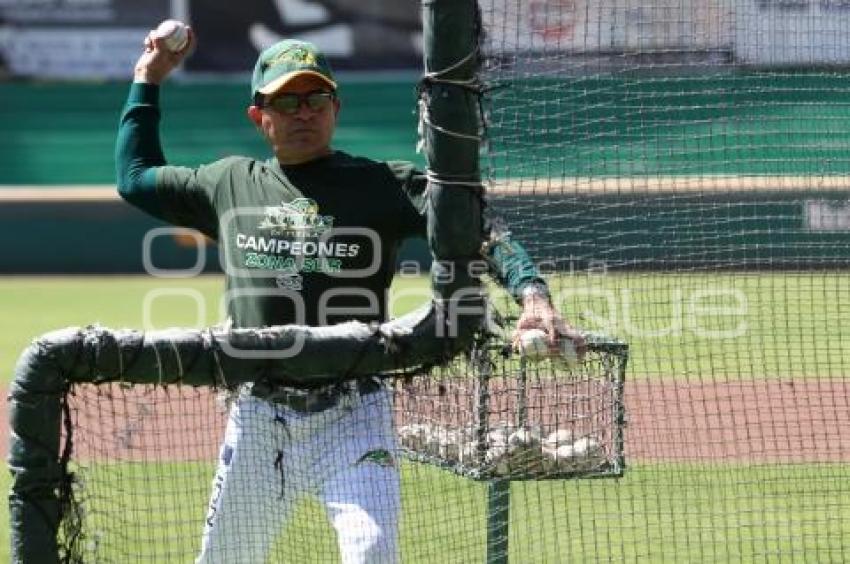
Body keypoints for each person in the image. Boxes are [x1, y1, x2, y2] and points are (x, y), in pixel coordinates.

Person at [118, 27, 586, 564]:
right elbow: (134, 179)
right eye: (286, 100)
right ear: (259, 116)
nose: (303, 112)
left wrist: (532, 295)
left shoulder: (381, 184)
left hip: (354, 414)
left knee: (371, 553)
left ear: (335, 108)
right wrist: (147, 78)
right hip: (257, 418)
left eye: (316, 98)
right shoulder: (229, 183)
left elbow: (476, 226)